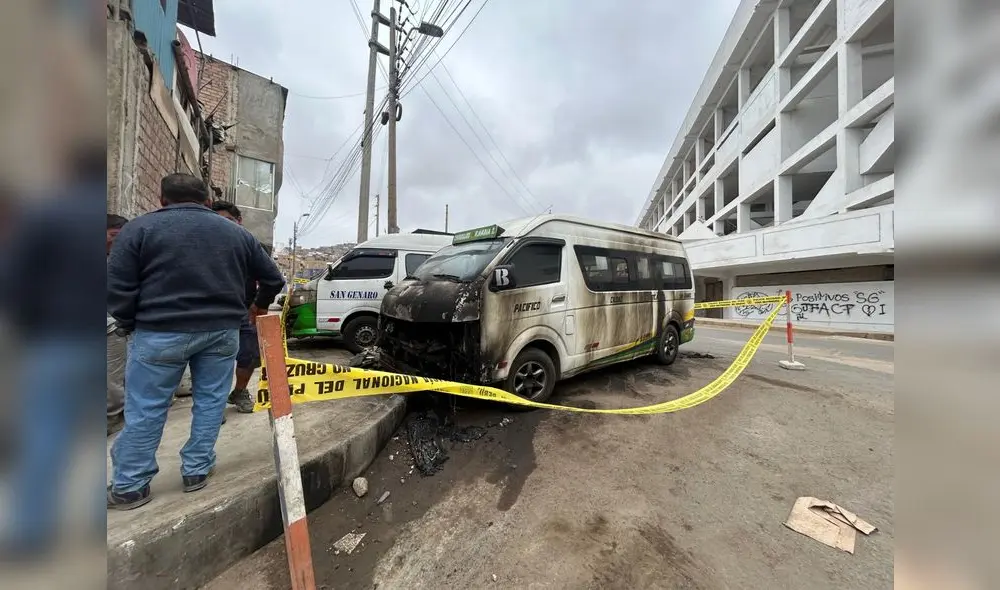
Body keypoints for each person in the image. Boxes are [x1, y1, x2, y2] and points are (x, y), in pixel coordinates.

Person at [106, 173, 284, 510]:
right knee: (211, 401)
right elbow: (274, 278)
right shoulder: (238, 234)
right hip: (221, 332)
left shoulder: (139, 229)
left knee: (146, 407)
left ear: (162, 199)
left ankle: (130, 486)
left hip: (158, 331)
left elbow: (117, 287)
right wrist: (257, 307)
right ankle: (196, 471)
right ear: (206, 201)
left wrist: (130, 322)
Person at [210, 201, 261, 415]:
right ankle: (213, 405)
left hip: (244, 311)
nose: (223, 225)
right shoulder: (205, 245)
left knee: (248, 355)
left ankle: (239, 392)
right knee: (214, 359)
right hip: (212, 311)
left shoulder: (249, 245)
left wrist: (259, 305)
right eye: (218, 220)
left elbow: (269, 277)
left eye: (228, 220)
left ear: (238, 221)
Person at [107, 214, 130, 436]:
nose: (116, 241)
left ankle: (113, 415)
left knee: (112, 376)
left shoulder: (124, 260)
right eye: (113, 235)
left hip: (112, 326)